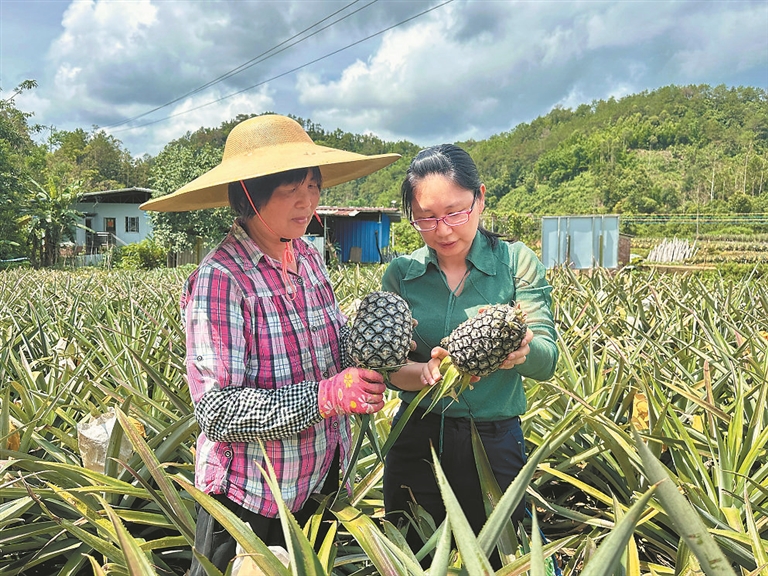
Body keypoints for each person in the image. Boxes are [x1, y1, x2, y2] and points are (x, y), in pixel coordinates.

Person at [140, 114, 400, 575]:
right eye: (290, 190)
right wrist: (325, 396)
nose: (307, 202)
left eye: (313, 186)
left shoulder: (307, 256)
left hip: (320, 480)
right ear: (248, 195)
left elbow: (332, 344)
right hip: (250, 499)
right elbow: (216, 411)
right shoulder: (221, 279)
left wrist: (374, 355)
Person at [382, 144, 558, 566]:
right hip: (415, 437)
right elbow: (389, 369)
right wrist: (422, 372)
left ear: (480, 198)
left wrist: (522, 347)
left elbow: (548, 359)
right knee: (412, 557)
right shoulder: (401, 274)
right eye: (426, 218)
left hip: (493, 441)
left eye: (455, 212)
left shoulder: (515, 262)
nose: (442, 230)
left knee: (502, 560)